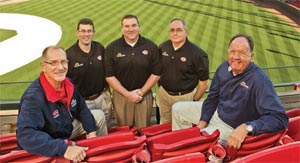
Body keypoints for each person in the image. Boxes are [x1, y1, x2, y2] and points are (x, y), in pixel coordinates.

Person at [172, 34, 288, 149]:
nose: (236, 57)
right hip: (217, 111)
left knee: (198, 142)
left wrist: (247, 127)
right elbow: (212, 98)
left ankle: (187, 152)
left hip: (231, 127)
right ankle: (181, 145)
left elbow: (279, 118)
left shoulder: (259, 80)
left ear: (251, 56)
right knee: (177, 108)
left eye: (242, 53)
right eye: (232, 52)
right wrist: (202, 123)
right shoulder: (223, 68)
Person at [17, 46, 107, 162]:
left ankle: (100, 153)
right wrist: (64, 149)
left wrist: (91, 131)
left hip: (65, 128)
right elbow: (25, 135)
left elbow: (81, 108)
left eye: (64, 62)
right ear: (43, 66)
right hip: (49, 139)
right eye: (54, 63)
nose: (60, 67)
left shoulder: (68, 83)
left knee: (98, 116)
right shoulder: (33, 97)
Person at [105, 14, 161, 130]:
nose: (130, 29)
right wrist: (127, 94)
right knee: (125, 130)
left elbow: (156, 73)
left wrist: (140, 92)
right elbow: (109, 76)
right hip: (121, 96)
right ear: (122, 28)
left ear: (139, 27)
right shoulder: (112, 48)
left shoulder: (151, 46)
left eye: (133, 25)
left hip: (144, 95)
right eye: (127, 26)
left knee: (144, 129)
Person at [158, 18, 209, 124]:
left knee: (182, 127)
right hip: (164, 95)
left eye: (179, 30)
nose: (175, 33)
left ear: (186, 32)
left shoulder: (197, 54)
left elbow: (204, 82)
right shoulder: (163, 47)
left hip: (185, 97)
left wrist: (194, 100)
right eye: (172, 30)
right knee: (165, 124)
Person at [66, 18, 112, 127]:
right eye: (83, 31)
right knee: (90, 131)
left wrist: (108, 94)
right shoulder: (69, 55)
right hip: (83, 102)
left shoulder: (100, 48)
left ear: (93, 32)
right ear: (78, 32)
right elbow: (66, 83)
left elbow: (107, 72)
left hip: (102, 98)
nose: (86, 34)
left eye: (89, 31)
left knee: (106, 130)